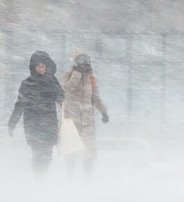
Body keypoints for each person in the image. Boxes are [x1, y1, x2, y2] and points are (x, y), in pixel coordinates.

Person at [7, 51, 65, 180]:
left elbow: (61, 98)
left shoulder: (51, 82)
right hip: (33, 124)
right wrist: (12, 123)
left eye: (44, 66)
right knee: (38, 153)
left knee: (48, 154)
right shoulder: (27, 83)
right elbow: (20, 104)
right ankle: (39, 179)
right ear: (34, 67)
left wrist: (54, 83)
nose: (41, 68)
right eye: (39, 66)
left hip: (49, 123)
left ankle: (42, 177)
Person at [62, 53, 109, 181]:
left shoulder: (91, 78)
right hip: (72, 120)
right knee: (71, 152)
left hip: (88, 121)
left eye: (87, 63)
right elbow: (67, 89)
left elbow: (96, 97)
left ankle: (88, 179)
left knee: (89, 153)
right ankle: (69, 179)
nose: (85, 66)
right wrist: (77, 73)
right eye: (82, 63)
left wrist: (103, 112)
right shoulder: (68, 75)